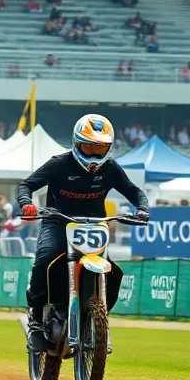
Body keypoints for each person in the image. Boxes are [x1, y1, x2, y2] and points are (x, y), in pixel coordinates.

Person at [17, 114, 149, 351]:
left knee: (113, 271)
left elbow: (133, 190)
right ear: (76, 143)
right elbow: (26, 185)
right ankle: (35, 321)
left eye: (101, 148)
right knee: (45, 260)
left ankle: (97, 320)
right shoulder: (59, 163)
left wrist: (142, 208)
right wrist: (26, 203)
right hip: (57, 222)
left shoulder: (110, 168)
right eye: (89, 147)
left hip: (94, 226)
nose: (95, 154)